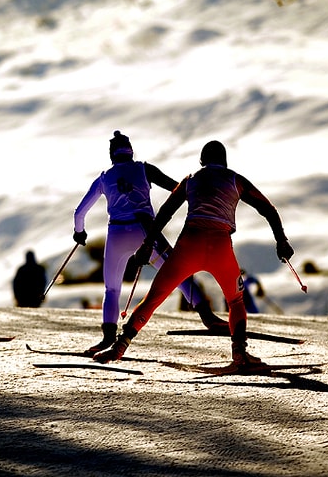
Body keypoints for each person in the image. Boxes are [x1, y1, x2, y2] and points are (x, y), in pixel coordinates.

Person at [94, 140, 295, 368]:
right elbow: (267, 208)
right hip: (220, 246)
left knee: (153, 298)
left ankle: (120, 345)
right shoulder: (235, 179)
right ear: (224, 161)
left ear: (201, 161)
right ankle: (239, 352)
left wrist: (148, 244)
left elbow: (165, 213)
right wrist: (281, 241)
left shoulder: (191, 180)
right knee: (236, 300)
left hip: (188, 246)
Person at [74, 131, 225, 356]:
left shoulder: (104, 177)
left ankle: (107, 336)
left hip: (116, 233)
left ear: (111, 154)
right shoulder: (144, 169)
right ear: (130, 151)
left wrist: (80, 233)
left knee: (112, 288)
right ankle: (208, 317)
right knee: (178, 273)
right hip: (145, 230)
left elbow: (80, 212)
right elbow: (178, 188)